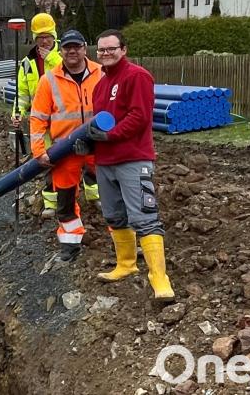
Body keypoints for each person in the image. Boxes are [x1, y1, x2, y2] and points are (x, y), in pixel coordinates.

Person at [86, 29, 174, 300]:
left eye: (111, 48)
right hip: (105, 161)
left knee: (144, 217)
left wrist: (110, 135)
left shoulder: (137, 76)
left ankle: (159, 277)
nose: (105, 53)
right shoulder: (101, 85)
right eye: (101, 50)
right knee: (114, 215)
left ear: (123, 49)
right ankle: (126, 264)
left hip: (133, 159)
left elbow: (140, 117)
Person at [30, 29, 102, 263]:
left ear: (84, 48)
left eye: (77, 47)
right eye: (67, 47)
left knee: (113, 192)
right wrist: (39, 151)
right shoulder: (48, 80)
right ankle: (71, 245)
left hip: (99, 144)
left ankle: (123, 243)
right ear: (60, 51)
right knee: (66, 199)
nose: (72, 51)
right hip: (65, 148)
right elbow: (38, 118)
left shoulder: (101, 74)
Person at [11, 13, 63, 219]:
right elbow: (22, 93)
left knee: (75, 158)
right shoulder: (27, 63)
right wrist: (17, 111)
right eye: (40, 37)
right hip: (41, 121)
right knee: (45, 159)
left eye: (48, 36)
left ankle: (89, 197)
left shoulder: (64, 55)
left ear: (54, 36)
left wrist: (50, 57)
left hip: (65, 119)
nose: (44, 40)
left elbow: (66, 71)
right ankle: (51, 203)